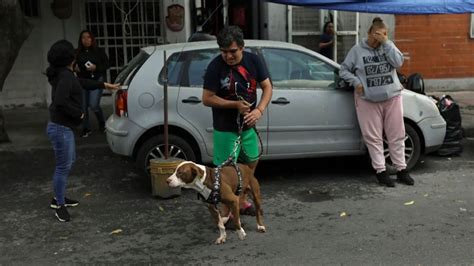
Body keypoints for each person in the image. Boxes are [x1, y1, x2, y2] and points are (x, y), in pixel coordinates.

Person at [202, 26, 273, 215]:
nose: (228, 56)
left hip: (248, 126)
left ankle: (240, 201)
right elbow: (207, 98)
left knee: (251, 161)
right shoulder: (215, 66)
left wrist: (259, 110)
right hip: (225, 129)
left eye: (232, 51)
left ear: (242, 47)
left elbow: (267, 87)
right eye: (223, 52)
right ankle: (227, 211)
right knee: (225, 173)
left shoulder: (254, 61)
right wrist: (233, 105)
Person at [46, 40, 119, 222]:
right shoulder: (65, 76)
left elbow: (82, 82)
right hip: (60, 128)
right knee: (63, 166)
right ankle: (59, 204)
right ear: (71, 58)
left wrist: (104, 85)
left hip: (63, 128)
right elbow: (59, 102)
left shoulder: (67, 74)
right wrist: (79, 114)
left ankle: (59, 197)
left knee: (69, 162)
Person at [339, 17, 414, 187]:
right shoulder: (357, 50)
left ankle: (402, 170)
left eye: (384, 34)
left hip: (392, 97)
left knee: (397, 134)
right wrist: (356, 82)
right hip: (368, 100)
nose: (379, 38)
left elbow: (399, 62)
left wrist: (386, 43)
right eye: (377, 35)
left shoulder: (388, 46)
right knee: (373, 137)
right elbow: (343, 70)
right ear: (369, 33)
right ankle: (381, 171)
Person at [75, 30, 110, 137]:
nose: (86, 40)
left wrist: (96, 68)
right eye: (83, 38)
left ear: (92, 39)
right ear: (80, 40)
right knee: (83, 106)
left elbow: (107, 64)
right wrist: (74, 68)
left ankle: (102, 123)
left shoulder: (99, 51)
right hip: (82, 81)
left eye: (88, 37)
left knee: (94, 105)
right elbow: (71, 64)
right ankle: (86, 128)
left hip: (96, 80)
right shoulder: (76, 52)